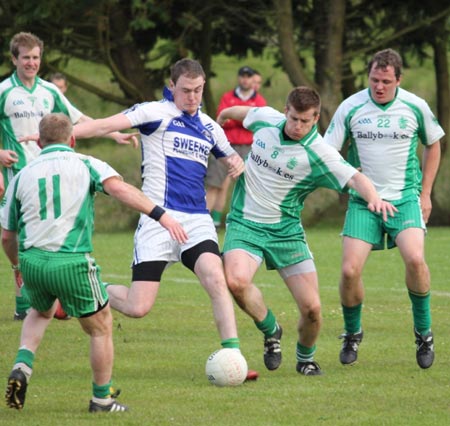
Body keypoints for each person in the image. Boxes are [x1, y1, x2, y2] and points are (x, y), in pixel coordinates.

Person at [71, 58, 255, 374]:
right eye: (186, 90)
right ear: (172, 87)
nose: (193, 97)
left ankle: (234, 360)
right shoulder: (153, 112)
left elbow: (232, 160)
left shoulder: (210, 126)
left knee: (216, 277)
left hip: (197, 220)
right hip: (158, 218)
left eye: (198, 90)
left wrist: (237, 165)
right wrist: (64, 138)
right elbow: (104, 124)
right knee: (137, 307)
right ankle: (82, 289)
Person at [2, 113, 187, 412]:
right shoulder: (87, 163)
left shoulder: (22, 175)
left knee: (40, 311)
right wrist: (161, 215)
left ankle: (22, 366)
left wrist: (17, 266)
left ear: (38, 142)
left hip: (32, 261)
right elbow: (120, 190)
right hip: (72, 261)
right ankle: (102, 399)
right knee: (100, 327)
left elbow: (7, 236)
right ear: (72, 139)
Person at [218, 87, 396, 376]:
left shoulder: (320, 153)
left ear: (315, 119)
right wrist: (225, 114)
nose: (297, 126)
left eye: (305, 121)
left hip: (286, 233)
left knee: (312, 309)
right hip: (244, 223)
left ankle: (305, 359)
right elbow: (244, 114)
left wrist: (374, 198)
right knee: (236, 281)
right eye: (293, 119)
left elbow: (355, 177)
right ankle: (271, 330)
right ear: (286, 111)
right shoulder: (267, 120)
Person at [0, 32, 136, 321]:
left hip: (53, 178)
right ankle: (23, 281)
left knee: (46, 241)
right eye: (26, 57)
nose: (32, 63)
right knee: (13, 239)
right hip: (19, 178)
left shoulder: (49, 91)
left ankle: (38, 304)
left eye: (36, 57)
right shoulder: (4, 92)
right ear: (14, 59)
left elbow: (80, 119)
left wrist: (114, 134)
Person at [323, 48, 444, 369]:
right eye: (374, 80)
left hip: (404, 200)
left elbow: (434, 144)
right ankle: (352, 333)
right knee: (349, 271)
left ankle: (423, 334)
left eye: (386, 81)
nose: (379, 86)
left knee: (416, 259)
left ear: (398, 80)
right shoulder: (351, 107)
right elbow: (328, 151)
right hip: (364, 203)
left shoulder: (414, 106)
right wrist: (350, 183)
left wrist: (426, 194)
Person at [205, 65, 267, 227]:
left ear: (252, 78)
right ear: (239, 78)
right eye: (242, 76)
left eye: (248, 76)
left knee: (249, 187)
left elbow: (259, 124)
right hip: (226, 146)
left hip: (248, 147)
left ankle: (248, 223)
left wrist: (234, 118)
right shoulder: (228, 97)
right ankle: (204, 221)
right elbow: (223, 120)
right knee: (215, 183)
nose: (245, 79)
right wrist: (245, 119)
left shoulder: (258, 100)